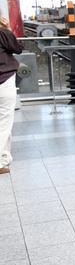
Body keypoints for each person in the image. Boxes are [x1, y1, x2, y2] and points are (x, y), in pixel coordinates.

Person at [0, 15, 23, 175]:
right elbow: (18, 48)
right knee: (4, 124)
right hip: (4, 81)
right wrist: (7, 28)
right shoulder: (3, 33)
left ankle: (3, 160)